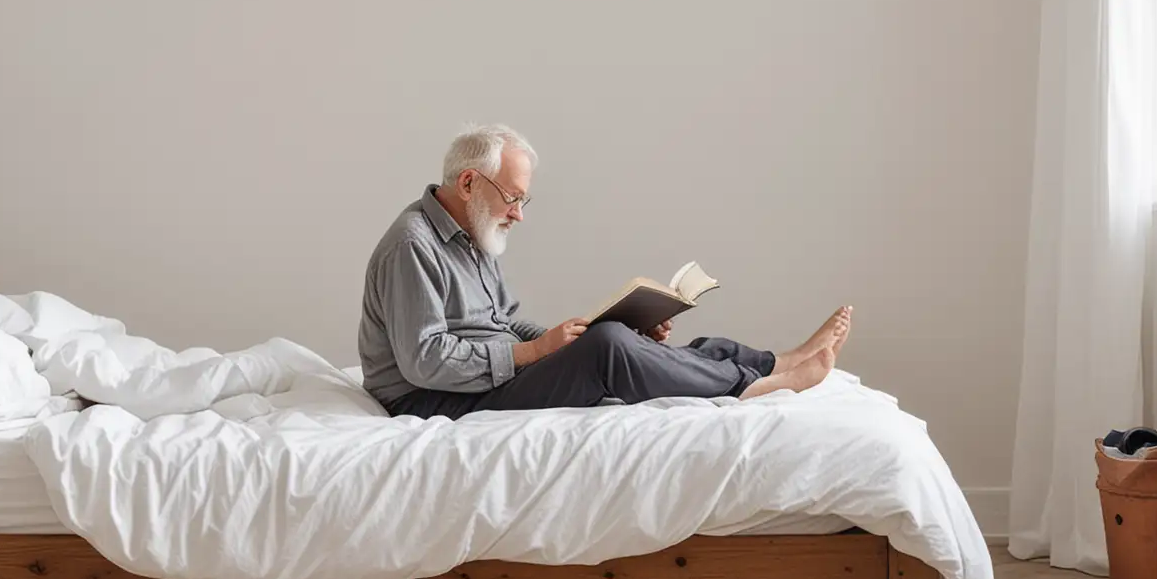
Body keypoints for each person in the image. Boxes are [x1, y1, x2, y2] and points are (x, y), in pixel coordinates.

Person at [358, 123, 851, 419]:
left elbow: (504, 321)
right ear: (469, 182)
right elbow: (424, 361)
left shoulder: (472, 235)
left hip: (476, 378)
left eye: (523, 200)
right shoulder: (413, 245)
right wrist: (533, 352)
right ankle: (750, 387)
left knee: (611, 336)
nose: (518, 213)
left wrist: (569, 335)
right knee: (606, 350)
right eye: (512, 197)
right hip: (431, 399)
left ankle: (772, 363)